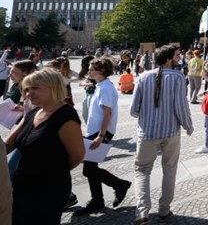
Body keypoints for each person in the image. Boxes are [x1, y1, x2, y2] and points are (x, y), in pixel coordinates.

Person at [5, 68, 85, 225]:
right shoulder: (35, 112)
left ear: (53, 86)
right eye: (27, 89)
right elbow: (8, 144)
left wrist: (53, 169)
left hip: (48, 190)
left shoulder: (66, 116)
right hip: (22, 186)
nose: (28, 94)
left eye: (35, 88)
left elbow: (77, 156)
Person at [130, 45, 194, 225]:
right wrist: (188, 126)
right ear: (167, 58)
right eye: (176, 55)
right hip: (171, 132)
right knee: (170, 168)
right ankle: (164, 210)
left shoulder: (143, 77)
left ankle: (142, 212)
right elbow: (181, 106)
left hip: (147, 132)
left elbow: (133, 110)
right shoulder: (178, 77)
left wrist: (147, 113)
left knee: (142, 171)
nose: (178, 58)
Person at [75, 56, 132, 216]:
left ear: (100, 71)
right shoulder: (101, 85)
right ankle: (98, 199)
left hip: (100, 132)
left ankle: (119, 185)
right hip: (95, 131)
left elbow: (107, 113)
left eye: (92, 69)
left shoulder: (106, 88)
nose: (89, 71)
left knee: (89, 169)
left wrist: (101, 135)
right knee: (90, 168)